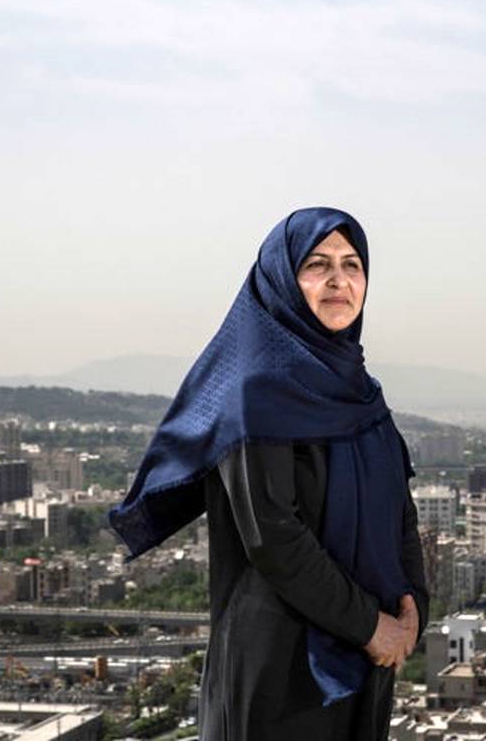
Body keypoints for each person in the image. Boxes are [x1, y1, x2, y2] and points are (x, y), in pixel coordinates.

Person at [108, 207, 430, 740]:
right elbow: (274, 536)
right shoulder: (256, 393)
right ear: (281, 279)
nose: (338, 280)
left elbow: (398, 507)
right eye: (317, 264)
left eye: (352, 265)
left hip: (367, 657)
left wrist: (413, 606)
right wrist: (372, 626)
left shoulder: (360, 393)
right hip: (280, 669)